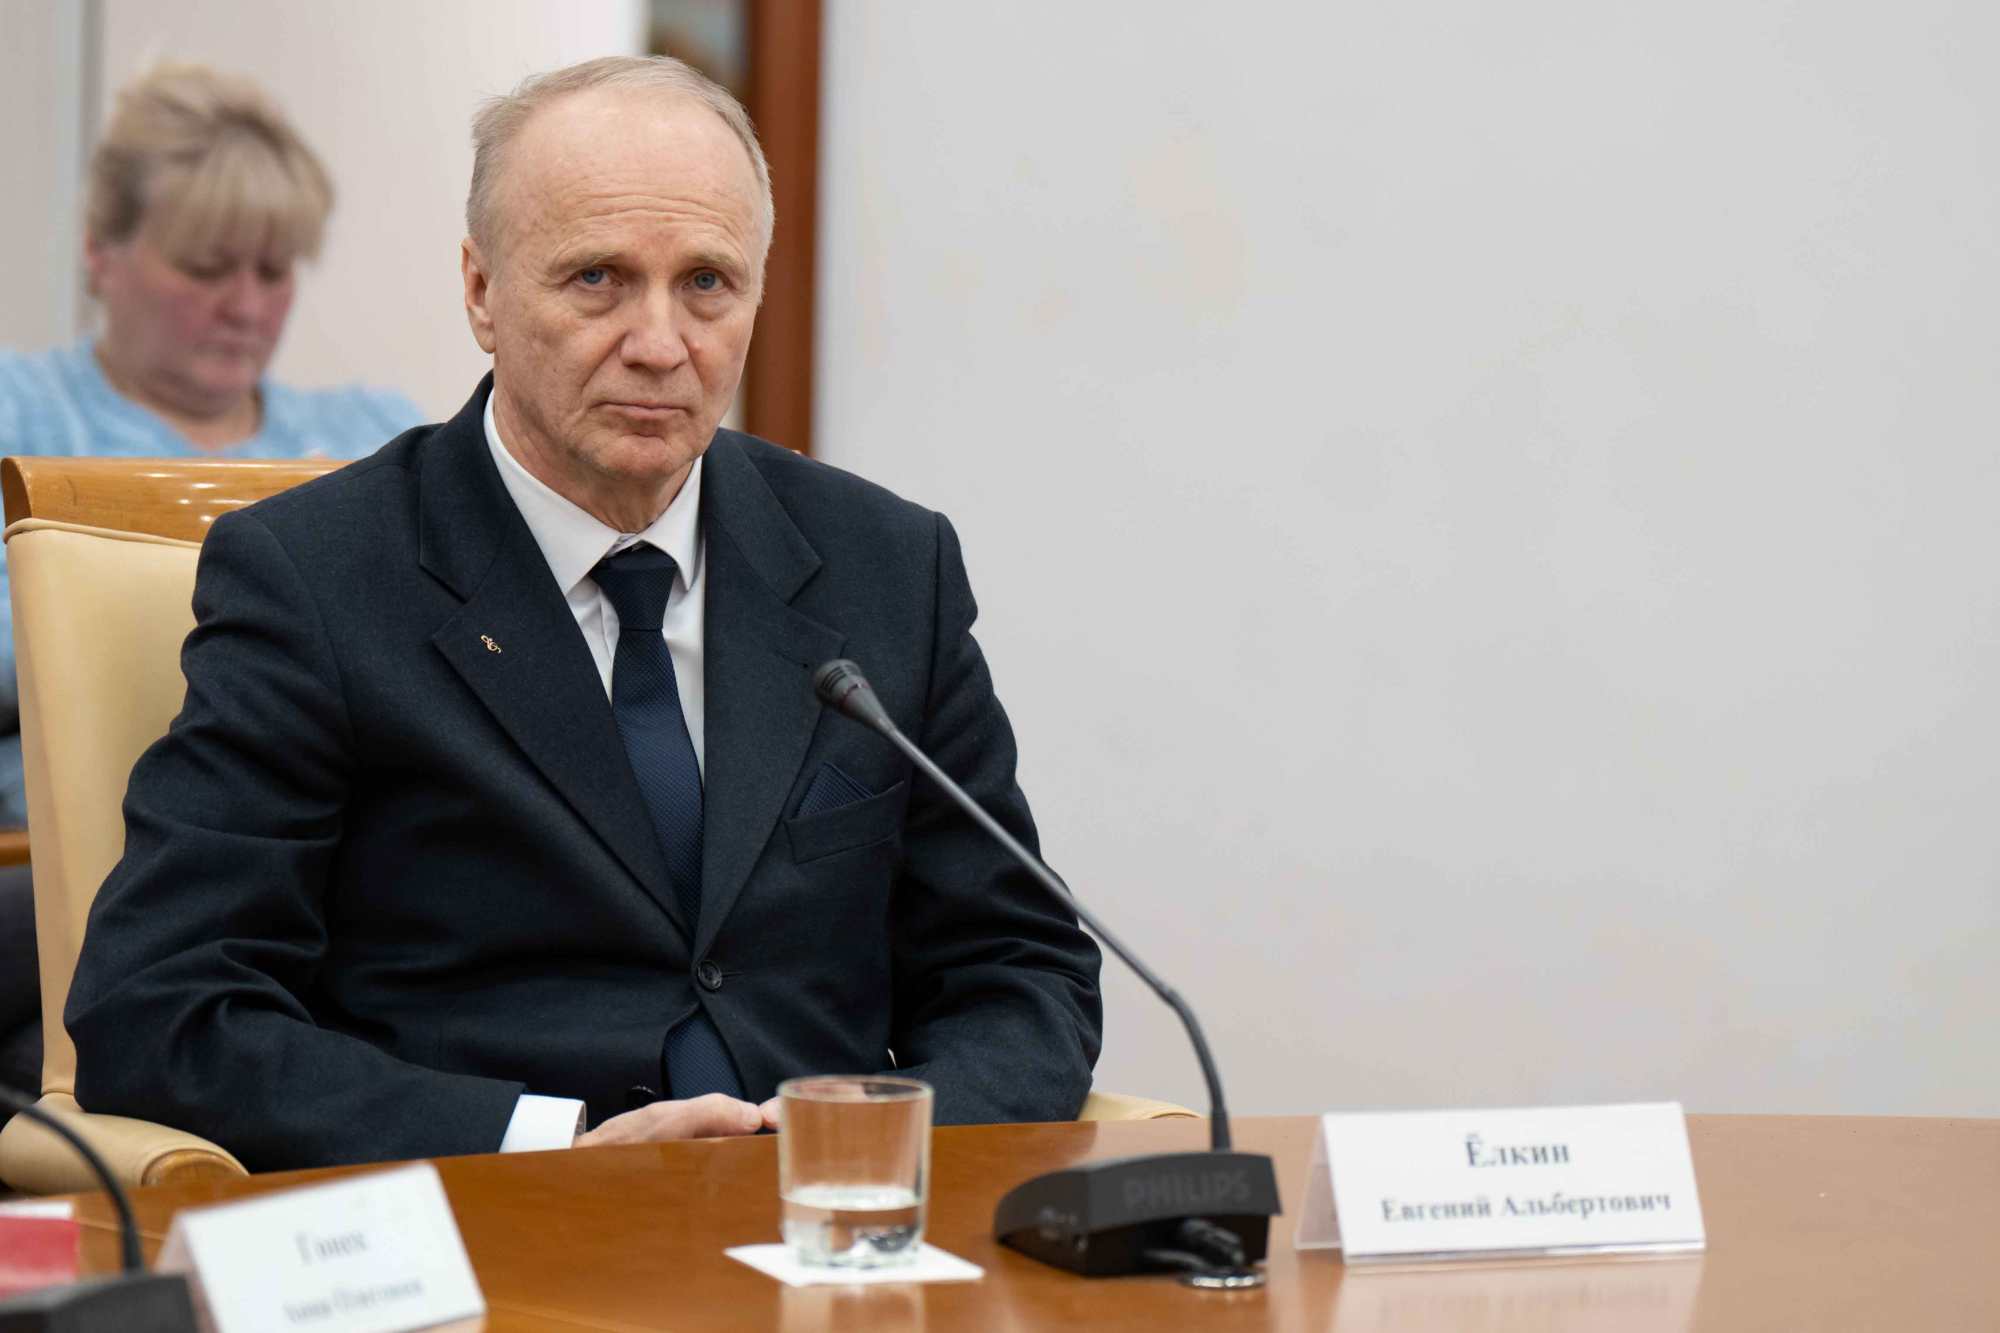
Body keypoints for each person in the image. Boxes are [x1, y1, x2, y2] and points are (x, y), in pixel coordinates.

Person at [63, 55, 1103, 1170]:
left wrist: (850, 1153)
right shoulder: (316, 577)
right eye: (598, 278)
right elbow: (164, 1008)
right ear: (481, 292)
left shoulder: (886, 566)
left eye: (707, 282)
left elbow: (1022, 972)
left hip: (826, 1223)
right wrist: (555, 1147)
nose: (660, 343)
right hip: (497, 1217)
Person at [0, 65, 421, 1105]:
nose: (246, 306)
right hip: (74, 868)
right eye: (205, 267)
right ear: (100, 250)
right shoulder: (19, 415)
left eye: (274, 271)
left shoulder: (375, 434)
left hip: (343, 862)